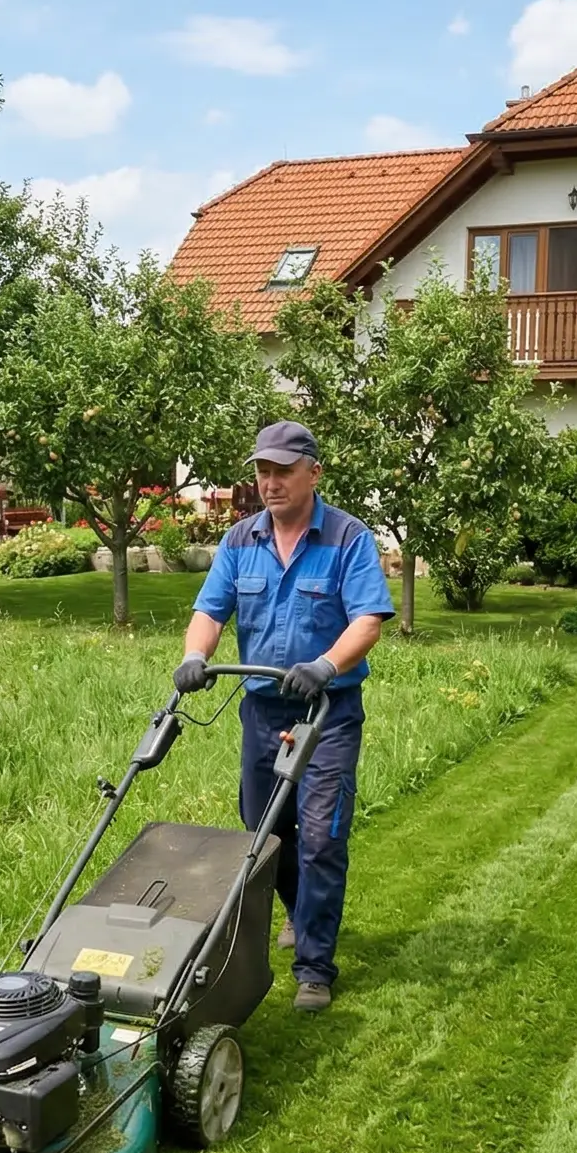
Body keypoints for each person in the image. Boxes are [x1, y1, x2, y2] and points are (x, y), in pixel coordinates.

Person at [175, 420, 393, 1011]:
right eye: (262, 472)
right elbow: (210, 611)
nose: (269, 483)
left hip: (327, 712)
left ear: (313, 472)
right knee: (266, 833)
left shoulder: (347, 538)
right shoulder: (240, 540)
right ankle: (299, 912)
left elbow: (367, 620)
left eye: (282, 472)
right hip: (262, 712)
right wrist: (197, 655)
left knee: (321, 836)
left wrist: (325, 664)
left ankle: (315, 967)